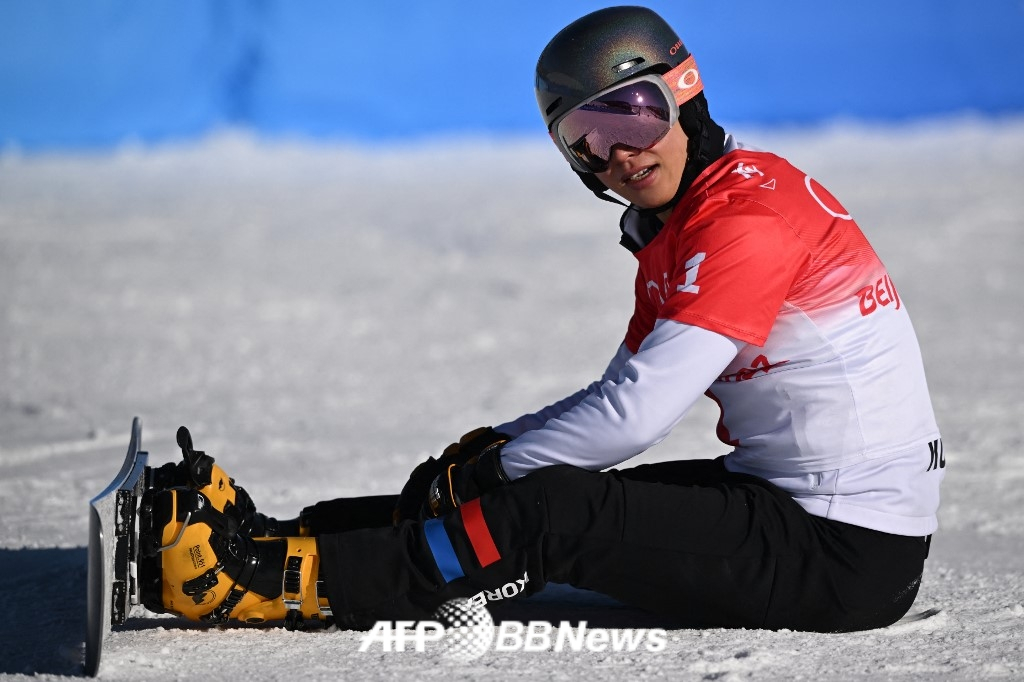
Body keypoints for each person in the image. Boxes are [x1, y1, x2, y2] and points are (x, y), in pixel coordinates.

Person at [139, 6, 944, 633]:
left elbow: (635, 417)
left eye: (633, 115)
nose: (620, 155)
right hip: (799, 505)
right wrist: (497, 445)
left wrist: (496, 471)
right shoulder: (695, 217)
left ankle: (258, 586)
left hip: (845, 555)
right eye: (587, 139)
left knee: (545, 516)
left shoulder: (743, 224)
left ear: (686, 89)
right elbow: (618, 390)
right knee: (522, 485)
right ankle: (278, 539)